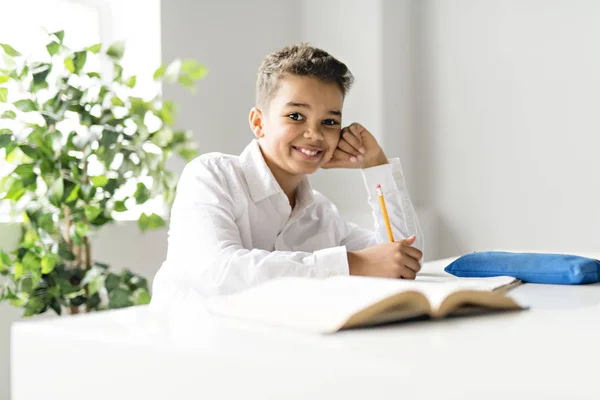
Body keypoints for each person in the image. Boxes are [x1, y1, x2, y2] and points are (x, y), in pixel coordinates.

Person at [151, 43, 423, 304]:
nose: (314, 134)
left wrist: (376, 166)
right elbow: (219, 274)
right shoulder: (212, 176)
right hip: (188, 345)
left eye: (329, 122)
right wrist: (352, 264)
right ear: (259, 123)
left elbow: (403, 257)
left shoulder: (321, 214)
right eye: (295, 116)